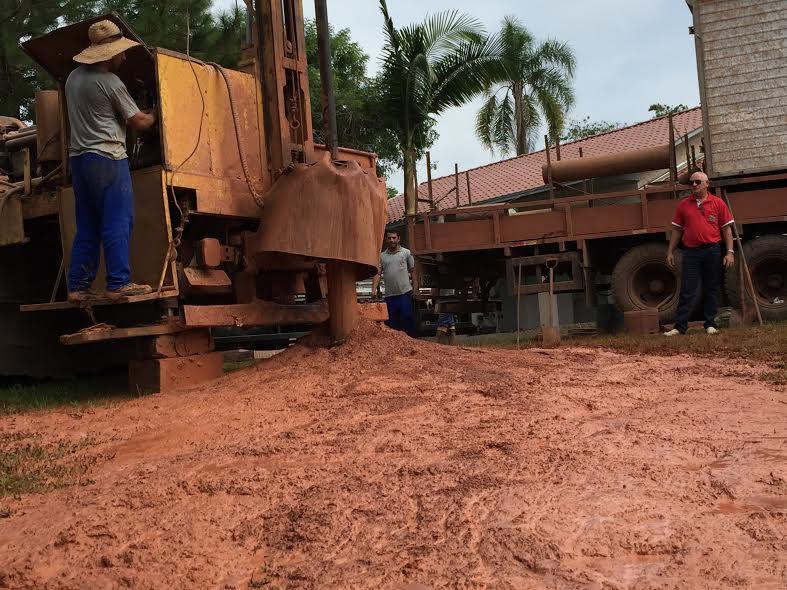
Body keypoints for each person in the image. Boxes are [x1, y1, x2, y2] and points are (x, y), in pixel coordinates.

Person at [65, 20, 157, 303]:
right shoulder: (110, 81)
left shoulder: (72, 79)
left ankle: (78, 287)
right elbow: (139, 122)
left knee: (88, 225)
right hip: (108, 159)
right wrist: (158, 112)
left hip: (79, 161)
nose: (124, 56)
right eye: (120, 52)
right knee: (119, 220)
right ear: (108, 53)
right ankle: (118, 283)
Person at [664, 171, 735, 336]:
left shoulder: (717, 203)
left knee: (712, 287)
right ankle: (679, 327)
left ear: (706, 184)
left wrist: (729, 252)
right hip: (691, 252)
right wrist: (670, 251)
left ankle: (710, 324)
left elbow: (727, 230)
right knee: (687, 289)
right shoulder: (683, 205)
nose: (694, 185)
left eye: (697, 182)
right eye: (691, 183)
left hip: (712, 250)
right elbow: (676, 230)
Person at [372, 230, 415, 335]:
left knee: (407, 318)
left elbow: (413, 270)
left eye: (394, 238)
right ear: (386, 240)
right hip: (390, 296)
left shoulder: (406, 253)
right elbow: (377, 274)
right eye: (389, 238)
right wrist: (373, 289)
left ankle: (412, 344)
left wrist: (415, 286)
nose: (392, 240)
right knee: (392, 323)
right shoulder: (382, 256)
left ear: (398, 239)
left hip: (405, 293)